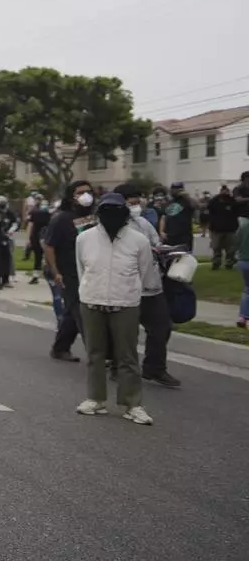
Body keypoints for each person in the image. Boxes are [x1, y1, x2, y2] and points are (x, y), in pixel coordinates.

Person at [74, 193, 154, 426]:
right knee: (95, 354)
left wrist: (129, 291)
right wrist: (91, 291)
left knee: (127, 356)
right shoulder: (84, 239)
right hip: (92, 301)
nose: (111, 216)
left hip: (125, 303)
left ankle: (132, 404)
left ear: (125, 214)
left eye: (116, 211)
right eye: (106, 211)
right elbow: (82, 270)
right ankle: (95, 399)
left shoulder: (139, 241)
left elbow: (145, 273)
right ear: (99, 214)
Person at [114, 183, 182, 388]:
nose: (136, 204)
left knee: (162, 327)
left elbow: (156, 243)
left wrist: (166, 251)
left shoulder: (143, 223)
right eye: (131, 200)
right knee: (126, 331)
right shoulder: (111, 226)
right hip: (126, 287)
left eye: (138, 199)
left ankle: (154, 368)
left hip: (152, 286)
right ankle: (119, 367)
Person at [43, 180, 96, 363]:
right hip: (68, 272)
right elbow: (49, 246)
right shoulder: (61, 218)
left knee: (71, 313)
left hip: (89, 270)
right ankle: (97, 354)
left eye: (88, 192)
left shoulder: (94, 216)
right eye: (80, 192)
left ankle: (60, 348)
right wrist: (55, 271)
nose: (85, 196)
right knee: (82, 311)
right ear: (71, 196)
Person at [206, 185, 238, 270]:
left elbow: (236, 207)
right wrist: (218, 195)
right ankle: (216, 263)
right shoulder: (215, 201)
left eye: (226, 191)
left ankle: (229, 262)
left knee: (230, 248)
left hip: (230, 228)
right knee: (216, 247)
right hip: (216, 229)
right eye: (223, 191)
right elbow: (209, 206)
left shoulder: (231, 201)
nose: (225, 192)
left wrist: (230, 196)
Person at [159, 182, 196, 251]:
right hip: (169, 236)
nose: (175, 191)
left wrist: (187, 196)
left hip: (184, 237)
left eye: (178, 190)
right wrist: (161, 232)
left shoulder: (187, 201)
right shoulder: (168, 202)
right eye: (173, 189)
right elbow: (163, 217)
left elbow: (195, 205)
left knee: (184, 255)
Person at [26, 197, 52, 283]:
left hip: (36, 236)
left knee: (38, 257)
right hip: (47, 237)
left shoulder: (34, 213)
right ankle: (49, 273)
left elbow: (30, 225)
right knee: (48, 256)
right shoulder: (51, 214)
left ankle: (36, 276)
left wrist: (29, 238)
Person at [237, 210, 249, 328]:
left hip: (244, 260)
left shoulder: (243, 226)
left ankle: (243, 316)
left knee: (247, 289)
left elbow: (236, 242)